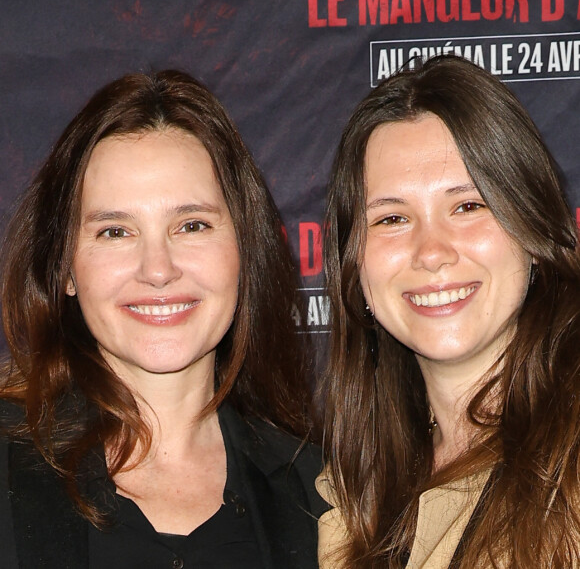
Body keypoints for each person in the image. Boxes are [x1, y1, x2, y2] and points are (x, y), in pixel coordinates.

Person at [0, 69, 325, 568]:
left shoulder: (322, 492)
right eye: (115, 232)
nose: (158, 269)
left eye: (191, 225)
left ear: (244, 250)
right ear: (65, 268)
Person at [317, 54, 580, 568]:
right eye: (392, 218)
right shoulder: (350, 494)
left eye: (468, 206)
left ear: (532, 229)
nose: (432, 251)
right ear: (354, 267)